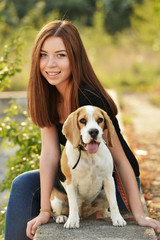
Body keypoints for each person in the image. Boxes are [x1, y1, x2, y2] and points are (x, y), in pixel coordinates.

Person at [4, 20, 160, 240]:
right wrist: (45, 211)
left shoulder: (89, 100)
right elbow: (50, 155)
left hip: (113, 183)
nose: (50, 64)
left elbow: (121, 160)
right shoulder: (47, 97)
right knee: (22, 185)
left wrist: (139, 214)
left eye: (60, 55)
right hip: (78, 176)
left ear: (74, 58)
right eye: (43, 55)